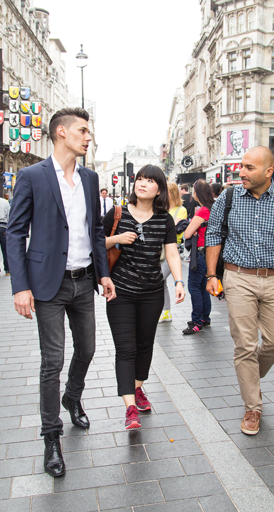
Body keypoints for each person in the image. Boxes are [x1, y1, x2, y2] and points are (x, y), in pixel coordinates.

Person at [6, 108, 115, 478]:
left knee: (87, 349)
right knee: (52, 360)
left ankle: (72, 396)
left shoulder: (89, 178)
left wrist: (103, 273)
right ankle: (51, 437)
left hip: (84, 281)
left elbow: (96, 229)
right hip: (48, 284)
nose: (89, 138)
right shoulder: (31, 176)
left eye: (90, 132)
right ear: (61, 132)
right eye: (83, 131)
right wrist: (20, 286)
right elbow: (15, 232)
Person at [205, 147, 274, 436]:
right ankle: (253, 407)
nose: (241, 172)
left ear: (269, 171)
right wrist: (212, 274)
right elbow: (213, 234)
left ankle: (250, 373)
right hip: (238, 277)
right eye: (241, 166)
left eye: (249, 167)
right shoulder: (227, 198)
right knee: (245, 345)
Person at [103, 165, 185, 429]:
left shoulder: (165, 219)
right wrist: (117, 238)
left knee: (145, 345)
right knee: (125, 349)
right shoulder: (117, 213)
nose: (142, 183)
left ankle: (138, 388)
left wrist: (179, 281)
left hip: (152, 292)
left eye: (150, 180)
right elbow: (95, 242)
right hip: (121, 292)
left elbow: (172, 253)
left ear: (159, 189)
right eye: (140, 179)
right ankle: (129, 408)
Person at [182, 180, 214, 335]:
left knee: (194, 286)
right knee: (203, 287)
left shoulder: (202, 211)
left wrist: (191, 230)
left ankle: (196, 322)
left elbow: (187, 233)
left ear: (197, 193)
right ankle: (204, 318)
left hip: (200, 253)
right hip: (211, 253)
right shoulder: (213, 208)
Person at [159, 182, 188, 322]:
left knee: (160, 278)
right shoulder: (160, 208)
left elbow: (170, 228)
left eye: (167, 191)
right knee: (161, 280)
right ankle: (165, 310)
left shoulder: (181, 210)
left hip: (172, 248)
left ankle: (165, 310)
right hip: (159, 248)